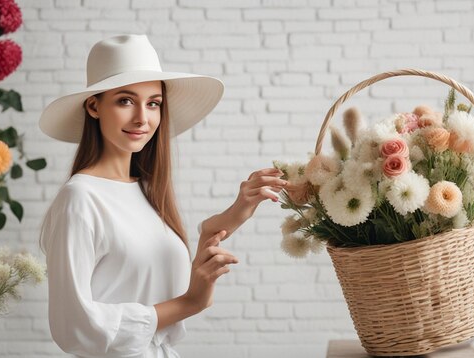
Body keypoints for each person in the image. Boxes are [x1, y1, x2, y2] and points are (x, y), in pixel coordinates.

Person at [37, 34, 287, 358]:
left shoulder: (143, 191)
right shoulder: (80, 199)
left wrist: (229, 218)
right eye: (126, 100)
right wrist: (190, 303)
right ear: (94, 106)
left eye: (153, 103)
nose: (143, 117)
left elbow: (149, 272)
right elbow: (73, 326)